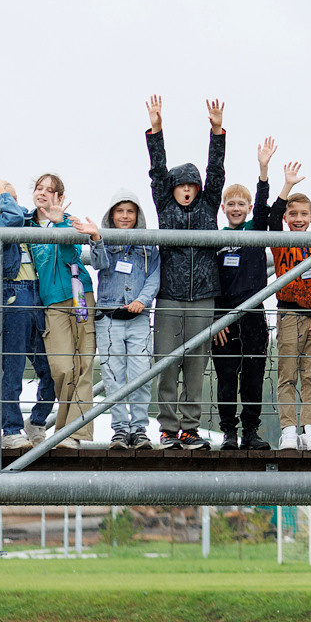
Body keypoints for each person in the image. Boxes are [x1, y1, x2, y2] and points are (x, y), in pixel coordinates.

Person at [145, 95, 227, 448]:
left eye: (192, 185)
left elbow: (216, 172)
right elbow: (157, 170)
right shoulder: (164, 205)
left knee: (196, 366)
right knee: (166, 364)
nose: (188, 190)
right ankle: (167, 427)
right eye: (182, 185)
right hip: (168, 296)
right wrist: (156, 130)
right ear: (173, 189)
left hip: (203, 297)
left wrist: (217, 131)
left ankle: (190, 428)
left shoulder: (209, 205)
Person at [84, 188, 160, 450]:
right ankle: (119, 430)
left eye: (130, 211)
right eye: (119, 211)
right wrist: (96, 238)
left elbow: (154, 277)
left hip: (138, 317)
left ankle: (139, 429)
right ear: (111, 214)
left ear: (138, 215)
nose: (125, 216)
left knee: (141, 374)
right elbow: (98, 264)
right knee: (112, 375)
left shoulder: (148, 245)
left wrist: (143, 300)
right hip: (108, 318)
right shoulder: (104, 240)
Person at [26, 173, 98, 446]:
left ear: (60, 197)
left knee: (84, 364)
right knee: (62, 367)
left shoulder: (70, 222)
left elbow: (72, 256)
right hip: (52, 302)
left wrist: (60, 224)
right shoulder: (26, 226)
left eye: (50, 190)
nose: (43, 193)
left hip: (81, 296)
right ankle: (65, 430)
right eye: (39, 188)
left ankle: (74, 433)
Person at [212, 139, 275, 452]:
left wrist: (263, 170)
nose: (236, 209)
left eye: (241, 204)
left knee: (253, 375)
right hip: (223, 317)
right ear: (223, 208)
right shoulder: (215, 239)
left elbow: (264, 208)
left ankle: (251, 431)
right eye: (231, 204)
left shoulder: (255, 229)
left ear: (248, 208)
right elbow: (209, 281)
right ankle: (228, 433)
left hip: (253, 314)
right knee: (226, 377)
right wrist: (214, 320)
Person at [264, 165, 311, 452]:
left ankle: (309, 429)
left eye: (304, 214)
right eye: (293, 214)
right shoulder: (280, 242)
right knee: (287, 373)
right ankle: (288, 429)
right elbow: (270, 219)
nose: (299, 219)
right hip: (289, 314)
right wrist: (287, 187)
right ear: (286, 218)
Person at [0, 179, 49, 447]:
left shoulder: (24, 222)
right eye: (7, 198)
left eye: (16, 198)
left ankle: (37, 420)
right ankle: (11, 430)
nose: (15, 204)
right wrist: (4, 196)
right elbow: (12, 218)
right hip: (12, 294)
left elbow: (26, 217)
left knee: (51, 367)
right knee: (13, 368)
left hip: (37, 294)